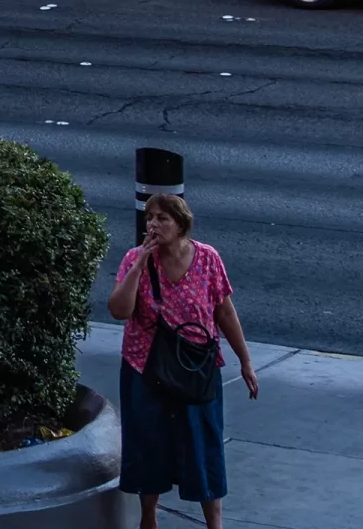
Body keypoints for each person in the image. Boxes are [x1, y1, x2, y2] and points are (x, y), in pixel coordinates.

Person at [109, 193, 257, 529]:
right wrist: (138, 264)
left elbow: (224, 311)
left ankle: (214, 524)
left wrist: (245, 361)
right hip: (145, 367)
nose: (154, 224)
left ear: (181, 223)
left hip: (195, 369)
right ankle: (149, 518)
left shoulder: (207, 258)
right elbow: (119, 310)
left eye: (163, 218)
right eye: (150, 218)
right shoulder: (137, 258)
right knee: (149, 445)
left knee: (203, 447)